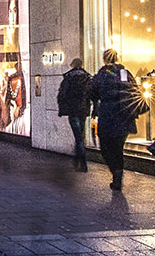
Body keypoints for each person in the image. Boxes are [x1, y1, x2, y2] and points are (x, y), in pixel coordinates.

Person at [88, 49, 140, 191]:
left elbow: (91, 92)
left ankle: (116, 173)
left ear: (104, 59)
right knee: (118, 148)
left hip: (107, 113)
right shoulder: (124, 72)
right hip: (123, 114)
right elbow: (134, 90)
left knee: (105, 147)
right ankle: (118, 175)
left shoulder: (101, 74)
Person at [56, 58, 92, 171]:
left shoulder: (68, 77)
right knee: (79, 135)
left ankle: (83, 163)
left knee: (78, 137)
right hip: (83, 110)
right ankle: (77, 160)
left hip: (73, 110)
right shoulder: (87, 77)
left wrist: (62, 109)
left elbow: (62, 95)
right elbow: (91, 93)